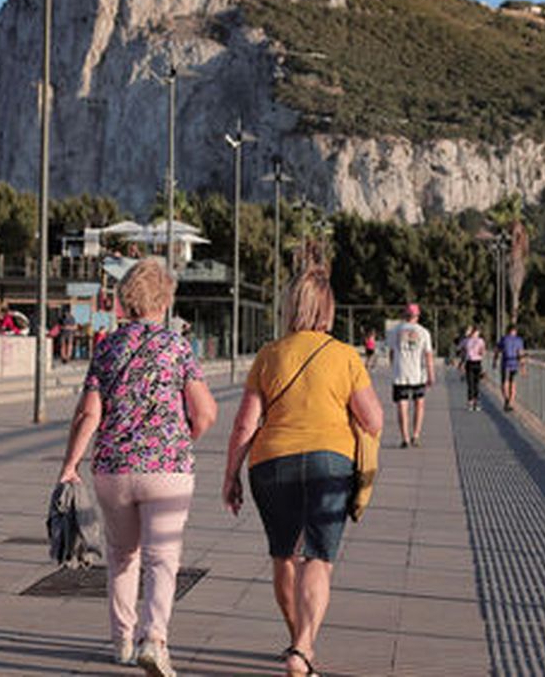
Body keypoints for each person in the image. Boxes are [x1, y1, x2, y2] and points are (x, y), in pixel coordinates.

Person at [58, 259, 217, 676]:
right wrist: (179, 442)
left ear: (127, 299)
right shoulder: (178, 347)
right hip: (167, 468)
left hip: (112, 468)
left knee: (121, 555)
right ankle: (154, 639)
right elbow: (206, 413)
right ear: (164, 300)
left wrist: (69, 465)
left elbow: (88, 414)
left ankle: (121, 641)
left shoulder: (107, 347)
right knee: (163, 558)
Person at [224, 265, 383, 677]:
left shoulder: (269, 354)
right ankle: (303, 648)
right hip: (330, 462)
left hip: (270, 464)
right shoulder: (346, 356)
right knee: (319, 558)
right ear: (328, 310)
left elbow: (245, 424)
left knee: (283, 554)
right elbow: (375, 419)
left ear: (290, 307)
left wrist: (230, 476)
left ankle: (299, 640)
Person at [385, 303, 434, 448]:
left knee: (402, 406)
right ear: (417, 316)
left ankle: (405, 437)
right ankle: (416, 435)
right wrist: (431, 375)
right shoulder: (424, 332)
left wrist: (393, 366)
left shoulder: (395, 331)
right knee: (419, 404)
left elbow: (392, 352)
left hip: (400, 373)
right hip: (418, 374)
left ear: (404, 315)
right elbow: (428, 355)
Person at [495, 324, 526, 412]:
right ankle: (511, 402)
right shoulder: (519, 340)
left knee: (504, 382)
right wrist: (523, 368)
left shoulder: (504, 339)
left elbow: (497, 350)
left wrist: (495, 361)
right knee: (512, 383)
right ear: (515, 331)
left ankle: (506, 399)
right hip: (514, 364)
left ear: (508, 330)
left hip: (505, 363)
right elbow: (520, 354)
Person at [459, 326, 487, 411]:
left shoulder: (481, 341)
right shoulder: (466, 340)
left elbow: (483, 352)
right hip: (469, 363)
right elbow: (460, 349)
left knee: (477, 384)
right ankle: (470, 403)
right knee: (470, 384)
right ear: (472, 333)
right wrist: (462, 363)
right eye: (475, 332)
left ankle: (476, 403)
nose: (476, 334)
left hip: (478, 363)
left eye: (477, 332)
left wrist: (482, 352)